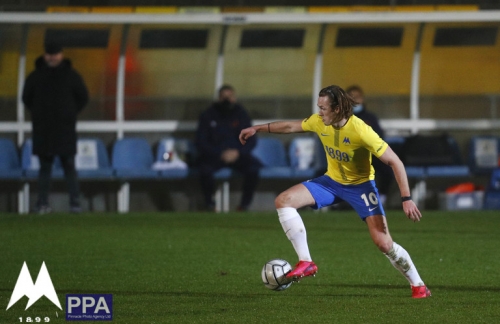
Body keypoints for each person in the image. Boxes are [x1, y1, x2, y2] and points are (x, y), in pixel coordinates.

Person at [239, 85, 431, 298]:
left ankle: (418, 285)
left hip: (361, 187)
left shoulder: (361, 130)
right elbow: (289, 127)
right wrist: (257, 128)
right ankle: (306, 261)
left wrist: (406, 198)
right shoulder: (320, 122)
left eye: (323, 108)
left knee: (384, 244)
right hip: (330, 183)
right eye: (318, 108)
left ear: (338, 109)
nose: (319, 113)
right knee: (284, 200)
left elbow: (395, 162)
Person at [22, 42, 89, 214]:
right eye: (49, 54)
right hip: (44, 129)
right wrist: (40, 114)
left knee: (68, 165)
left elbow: (83, 96)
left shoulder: (71, 75)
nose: (52, 57)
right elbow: (26, 97)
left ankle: (74, 203)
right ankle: (43, 203)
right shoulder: (36, 76)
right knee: (45, 167)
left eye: (55, 54)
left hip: (63, 128)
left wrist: (69, 114)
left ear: (61, 55)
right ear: (45, 55)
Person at [196, 85, 261, 211]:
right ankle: (210, 204)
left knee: (253, 169)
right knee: (204, 170)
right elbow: (201, 141)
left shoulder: (241, 114)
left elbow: (251, 140)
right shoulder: (208, 115)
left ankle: (244, 205)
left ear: (234, 98)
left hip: (238, 156)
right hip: (215, 156)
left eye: (229, 97)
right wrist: (219, 153)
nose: (226, 100)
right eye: (223, 97)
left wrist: (238, 152)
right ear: (218, 98)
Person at [346, 85, 393, 207]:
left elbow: (379, 137)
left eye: (358, 97)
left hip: (371, 154)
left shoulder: (370, 118)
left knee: (388, 168)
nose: (355, 101)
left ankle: (381, 197)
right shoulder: (343, 118)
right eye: (352, 97)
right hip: (349, 156)